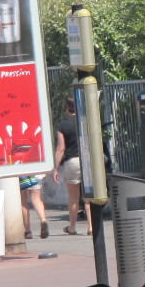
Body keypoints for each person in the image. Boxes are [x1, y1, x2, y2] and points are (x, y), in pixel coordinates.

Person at [52, 96, 83, 235]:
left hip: (72, 162)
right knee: (89, 196)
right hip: (87, 160)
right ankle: (91, 227)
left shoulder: (63, 126)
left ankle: (72, 227)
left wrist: (55, 168)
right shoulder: (84, 121)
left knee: (73, 196)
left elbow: (61, 148)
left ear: (66, 108)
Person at [19, 174, 49, 239]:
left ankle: (28, 231)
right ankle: (43, 219)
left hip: (21, 174)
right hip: (35, 174)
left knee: (23, 201)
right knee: (37, 199)